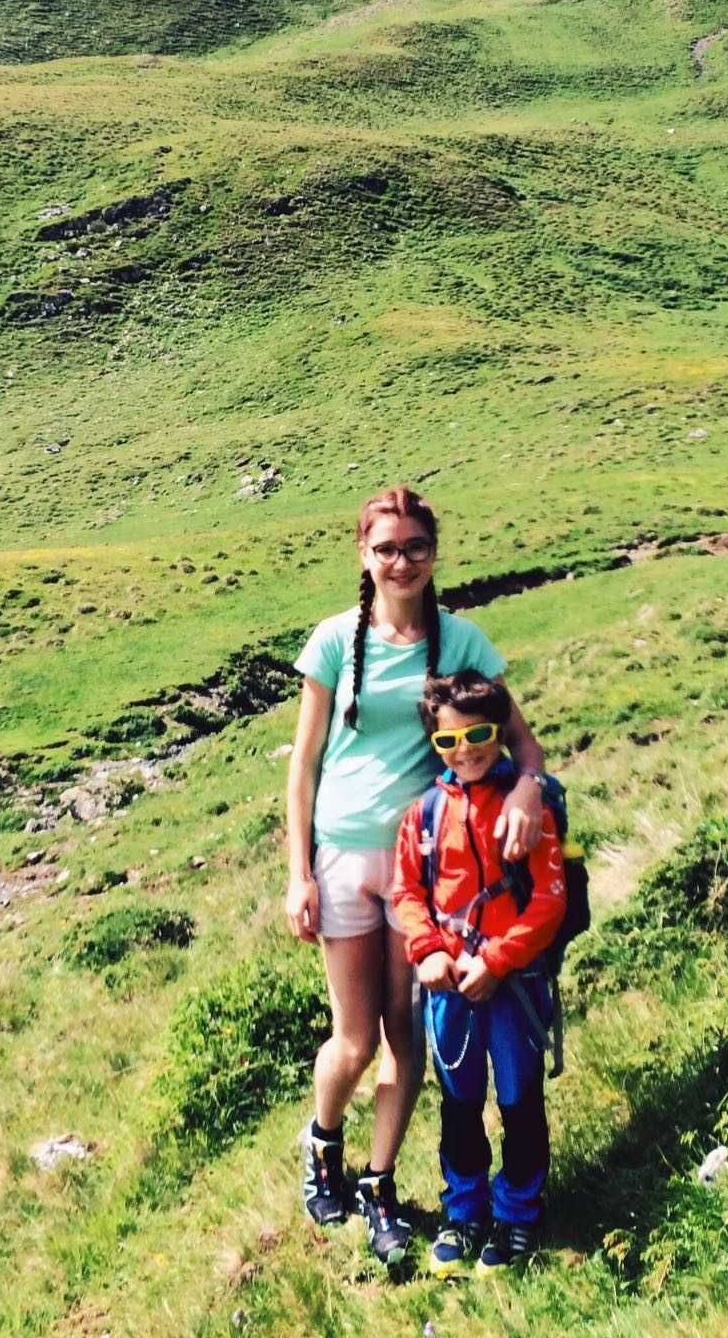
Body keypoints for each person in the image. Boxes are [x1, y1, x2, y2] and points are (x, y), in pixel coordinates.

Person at [285, 486, 548, 1267]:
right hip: (340, 855)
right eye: (387, 549)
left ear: (435, 552)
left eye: (416, 547)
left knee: (407, 1040)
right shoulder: (333, 642)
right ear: (364, 555)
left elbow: (524, 745)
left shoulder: (462, 639)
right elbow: (303, 765)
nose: (402, 562)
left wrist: (528, 789)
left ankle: (379, 1185)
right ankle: (323, 1142)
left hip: (422, 870)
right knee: (354, 1041)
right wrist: (297, 873)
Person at [392, 672, 567, 1277]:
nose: (465, 751)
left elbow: (548, 900)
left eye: (479, 735)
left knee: (520, 1100)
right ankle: (464, 1211)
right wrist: (427, 951)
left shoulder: (527, 809)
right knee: (459, 1104)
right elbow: (407, 892)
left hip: (514, 985)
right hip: (448, 987)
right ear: (434, 744)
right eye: (448, 741)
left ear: (499, 731)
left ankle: (518, 1211)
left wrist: (497, 960)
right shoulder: (423, 815)